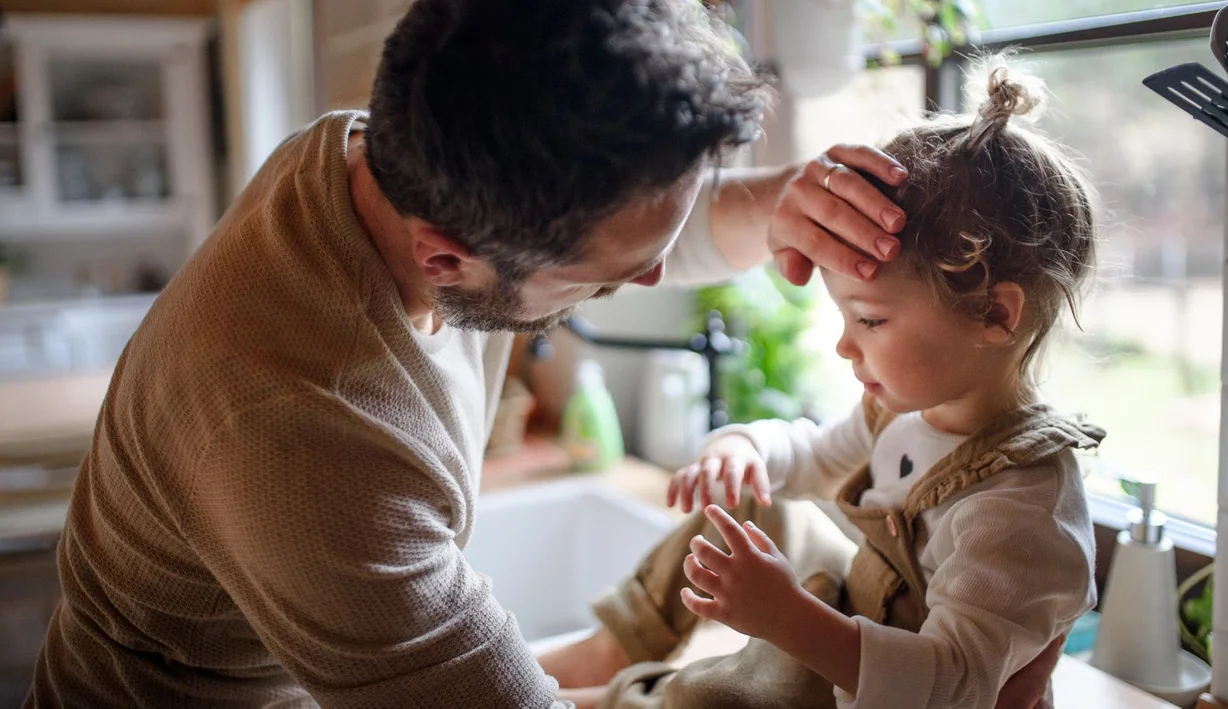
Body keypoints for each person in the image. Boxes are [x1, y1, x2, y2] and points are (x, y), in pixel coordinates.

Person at [23, 2, 922, 707]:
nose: (650, 281)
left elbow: (626, 227)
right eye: (601, 283)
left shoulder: (388, 149)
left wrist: (787, 202)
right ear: (446, 256)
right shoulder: (310, 430)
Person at [540, 61, 1102, 709]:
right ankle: (610, 648)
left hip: (881, 690)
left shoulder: (1021, 512)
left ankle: (610, 699)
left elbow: (951, 684)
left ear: (995, 314)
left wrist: (785, 617)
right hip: (859, 616)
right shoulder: (909, 411)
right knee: (752, 505)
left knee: (717, 698)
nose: (843, 344)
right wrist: (748, 447)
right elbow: (813, 455)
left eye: (869, 319)